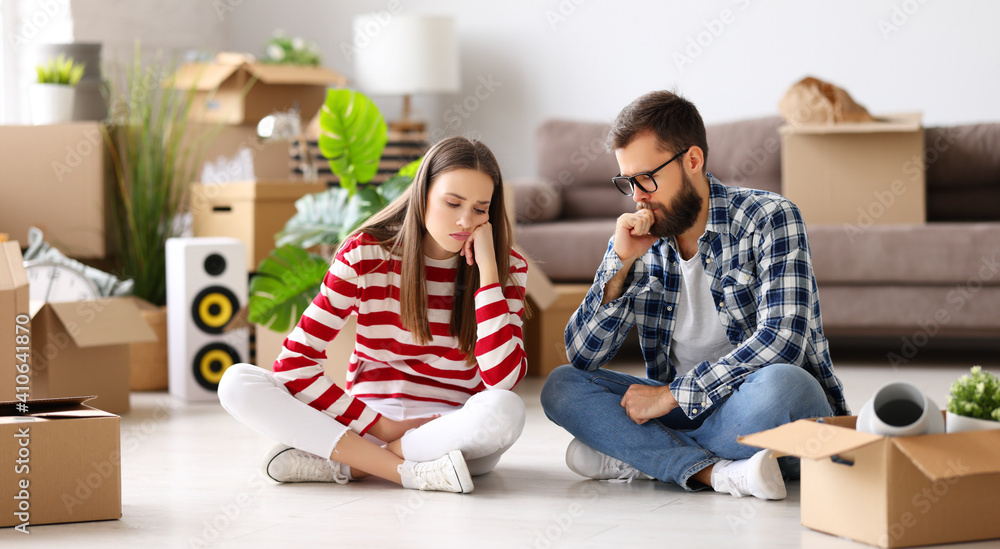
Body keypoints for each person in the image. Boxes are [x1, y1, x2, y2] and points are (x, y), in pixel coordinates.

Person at [540, 91, 849, 500]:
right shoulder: (637, 241)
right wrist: (619, 266)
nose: (637, 196)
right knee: (561, 386)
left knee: (789, 387)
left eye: (646, 178)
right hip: (685, 416)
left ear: (692, 161)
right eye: (627, 182)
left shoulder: (770, 217)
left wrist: (669, 396)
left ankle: (645, 456)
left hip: (754, 407)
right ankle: (716, 472)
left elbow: (783, 342)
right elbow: (582, 356)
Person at [220, 136, 529, 494]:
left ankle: (352, 465)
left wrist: (489, 273)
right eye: (452, 202)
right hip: (365, 420)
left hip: (447, 429)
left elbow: (502, 380)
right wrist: (381, 427)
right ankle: (409, 472)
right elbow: (294, 363)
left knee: (506, 410)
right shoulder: (366, 254)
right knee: (237, 382)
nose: (464, 221)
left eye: (479, 209)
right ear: (422, 195)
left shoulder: (507, 269)